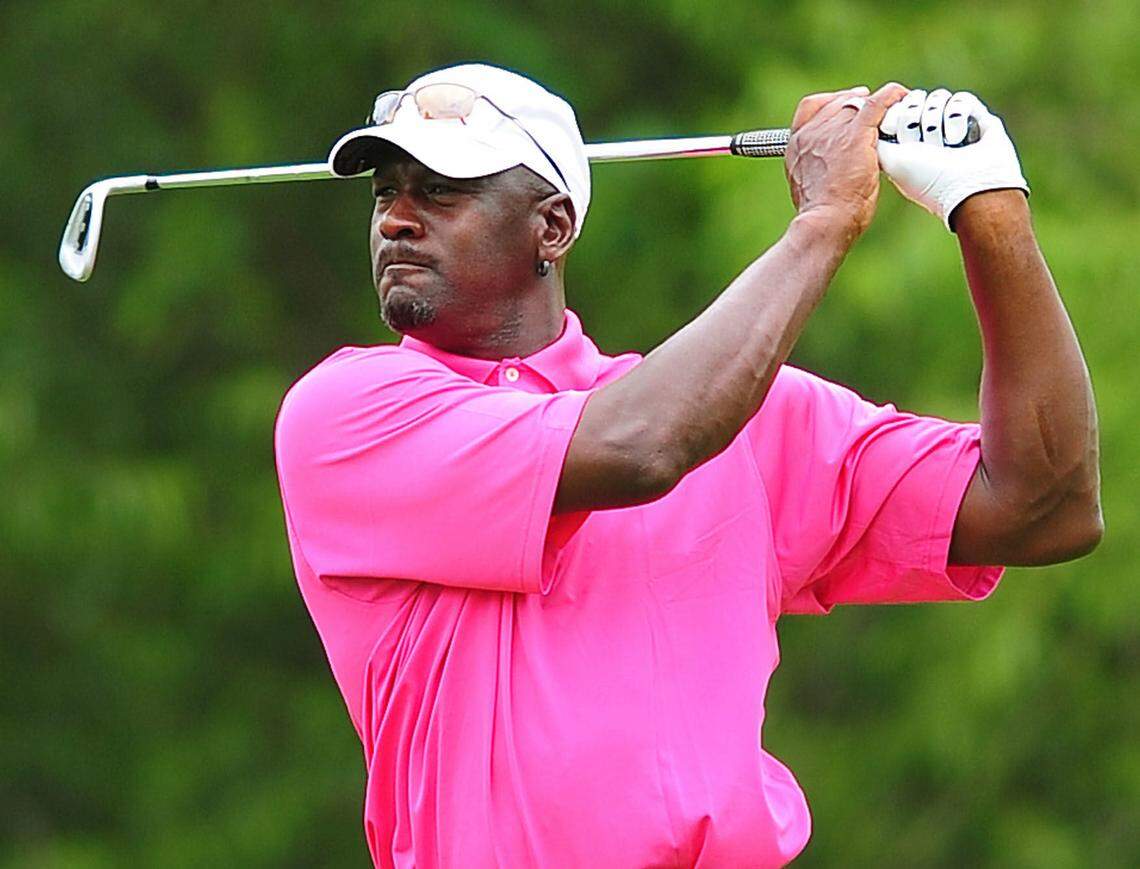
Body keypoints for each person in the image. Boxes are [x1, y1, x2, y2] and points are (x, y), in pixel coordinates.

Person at [273, 63, 1101, 867]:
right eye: (386, 193)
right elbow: (643, 446)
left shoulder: (747, 414)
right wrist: (822, 222)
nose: (395, 220)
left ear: (552, 227)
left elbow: (1043, 503)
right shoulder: (349, 413)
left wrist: (989, 209)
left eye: (441, 191)